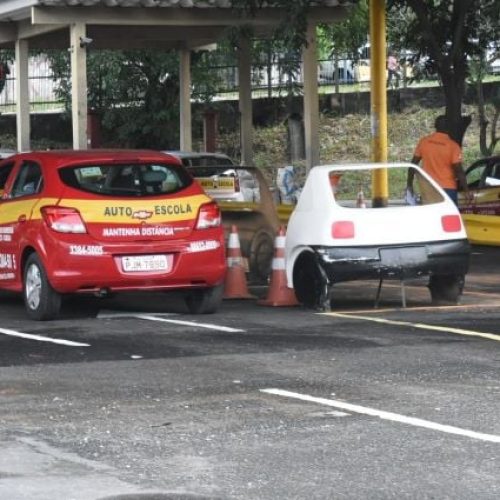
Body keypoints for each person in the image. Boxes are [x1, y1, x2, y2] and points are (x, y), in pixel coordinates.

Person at [407, 115, 469, 206]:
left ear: (435, 126)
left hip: (428, 187)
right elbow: (458, 170)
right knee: (448, 217)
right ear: (449, 128)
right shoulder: (453, 146)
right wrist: (466, 190)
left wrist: (409, 185)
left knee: (431, 216)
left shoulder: (424, 142)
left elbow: (413, 165)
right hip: (448, 188)